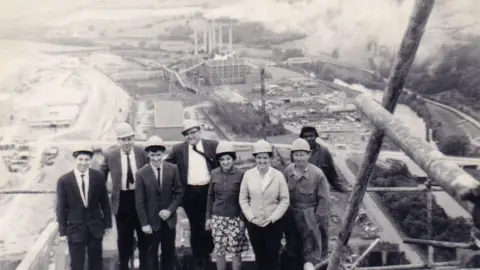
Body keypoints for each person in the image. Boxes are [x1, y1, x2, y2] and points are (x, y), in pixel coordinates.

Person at [165, 119, 219, 270]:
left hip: (208, 191)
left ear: (199, 131)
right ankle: (198, 257)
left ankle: (207, 254)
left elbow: (221, 164)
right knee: (195, 225)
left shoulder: (212, 146)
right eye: (187, 134)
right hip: (189, 193)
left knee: (208, 224)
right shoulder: (178, 149)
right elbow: (167, 165)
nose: (190, 136)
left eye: (193, 132)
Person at [100, 122, 149, 270]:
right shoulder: (110, 155)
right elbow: (101, 176)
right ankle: (124, 266)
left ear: (134, 138)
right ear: (118, 140)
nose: (127, 142)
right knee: (123, 240)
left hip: (140, 200)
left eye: (129, 139)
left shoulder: (141, 153)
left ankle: (144, 266)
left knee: (144, 238)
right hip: (121, 201)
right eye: (123, 139)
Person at [56, 144, 112, 270]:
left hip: (95, 228)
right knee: (76, 264)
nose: (83, 163)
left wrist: (108, 224)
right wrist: (63, 231)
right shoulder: (64, 181)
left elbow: (104, 203)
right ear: (75, 160)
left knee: (96, 263)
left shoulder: (98, 177)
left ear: (91, 160)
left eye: (87, 160)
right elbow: (60, 208)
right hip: (75, 229)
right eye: (80, 159)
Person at [135, 136, 184, 270]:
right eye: (152, 155)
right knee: (151, 254)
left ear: (163, 153)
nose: (156, 159)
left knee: (168, 253)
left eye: (158, 155)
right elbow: (139, 201)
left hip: (169, 221)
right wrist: (144, 223)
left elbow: (179, 193)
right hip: (151, 223)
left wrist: (170, 210)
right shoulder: (141, 174)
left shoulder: (172, 169)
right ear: (147, 154)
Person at [239, 139, 290, 270]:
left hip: (273, 225)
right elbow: (243, 199)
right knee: (259, 257)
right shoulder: (248, 175)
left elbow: (285, 200)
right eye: (259, 158)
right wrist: (252, 218)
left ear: (270, 158)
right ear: (255, 158)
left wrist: (272, 218)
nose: (262, 161)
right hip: (254, 226)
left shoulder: (278, 176)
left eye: (265, 158)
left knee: (272, 258)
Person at [283, 138, 332, 270]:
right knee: (293, 250)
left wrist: (316, 221)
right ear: (292, 155)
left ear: (309, 155)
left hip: (311, 218)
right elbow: (283, 194)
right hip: (293, 218)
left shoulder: (317, 174)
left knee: (311, 254)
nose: (299, 158)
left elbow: (324, 200)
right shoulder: (288, 171)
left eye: (302, 154)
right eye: (296, 154)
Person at [205, 141, 250, 270]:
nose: (225, 162)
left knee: (236, 252)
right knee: (220, 252)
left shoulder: (240, 174)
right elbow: (210, 196)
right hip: (218, 218)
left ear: (233, 159)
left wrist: (242, 219)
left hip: (235, 219)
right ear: (219, 160)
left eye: (228, 159)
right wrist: (208, 217)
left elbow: (244, 198)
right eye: (222, 159)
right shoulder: (214, 173)